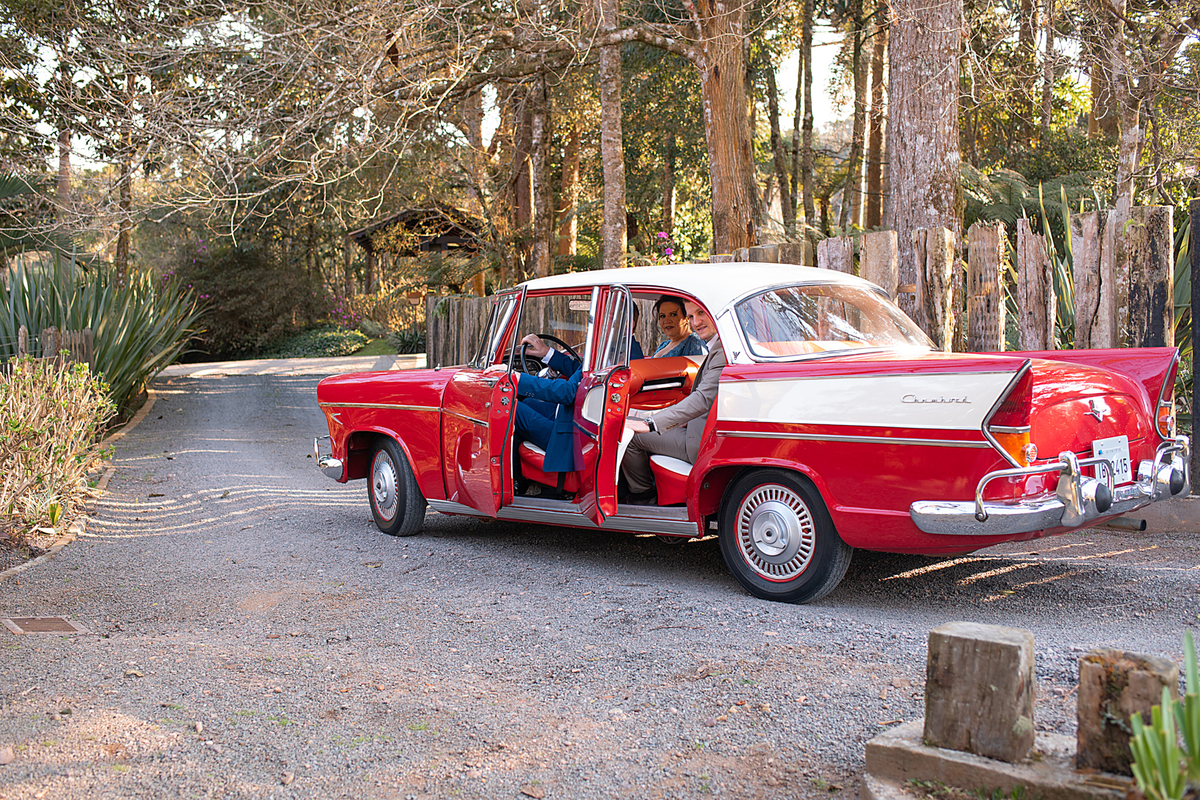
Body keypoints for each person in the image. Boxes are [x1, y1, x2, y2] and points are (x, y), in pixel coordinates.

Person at [621, 299, 726, 503]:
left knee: (629, 435)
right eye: (692, 316)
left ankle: (642, 495)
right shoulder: (715, 347)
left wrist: (651, 423)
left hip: (698, 439)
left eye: (701, 314)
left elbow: (703, 398)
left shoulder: (711, 348)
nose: (697, 322)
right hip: (692, 423)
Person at [513, 333, 585, 474]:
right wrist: (547, 353)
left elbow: (568, 392)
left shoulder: (618, 354)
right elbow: (581, 370)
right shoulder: (612, 352)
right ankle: (521, 475)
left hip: (574, 432)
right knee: (527, 402)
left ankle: (512, 479)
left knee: (511, 408)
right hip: (573, 417)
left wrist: (519, 378)